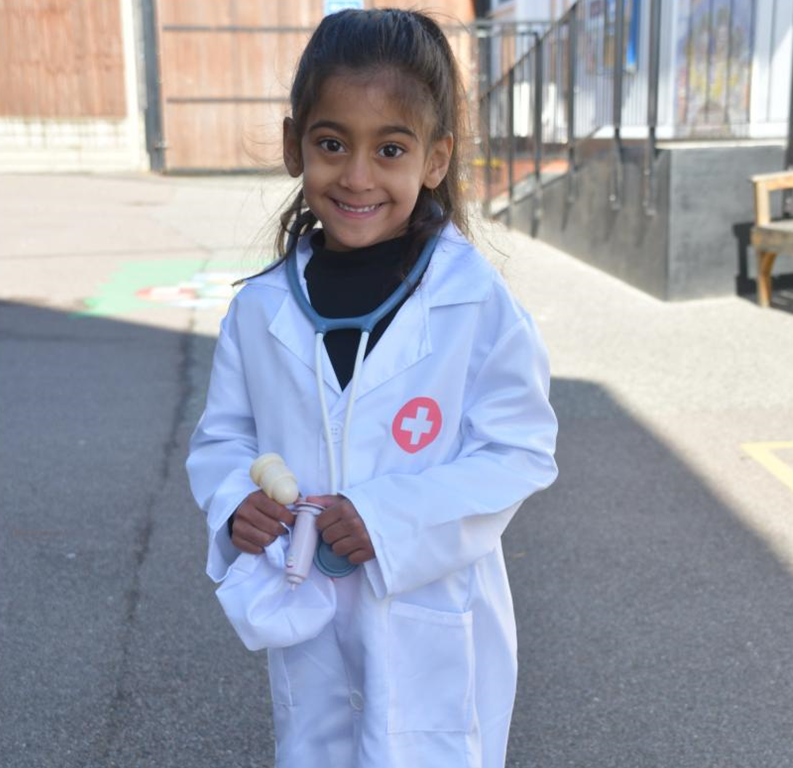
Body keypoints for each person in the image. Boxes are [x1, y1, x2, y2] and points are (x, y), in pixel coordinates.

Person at [186, 8, 558, 768]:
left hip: (435, 619)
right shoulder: (260, 309)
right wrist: (234, 503)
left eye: (389, 148)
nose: (357, 176)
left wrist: (388, 520)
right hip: (308, 609)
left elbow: (519, 449)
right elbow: (224, 438)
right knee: (319, 746)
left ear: (434, 158)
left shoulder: (472, 301)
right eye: (331, 144)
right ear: (295, 146)